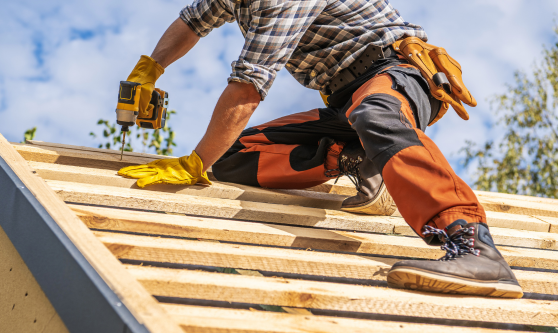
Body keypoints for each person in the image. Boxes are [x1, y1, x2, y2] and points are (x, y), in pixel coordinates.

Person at [117, 0, 523, 298]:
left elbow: (248, 86)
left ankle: (472, 244)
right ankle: (358, 159)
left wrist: (194, 163)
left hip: (394, 74)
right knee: (232, 156)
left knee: (376, 114)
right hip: (346, 102)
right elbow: (192, 21)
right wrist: (151, 67)